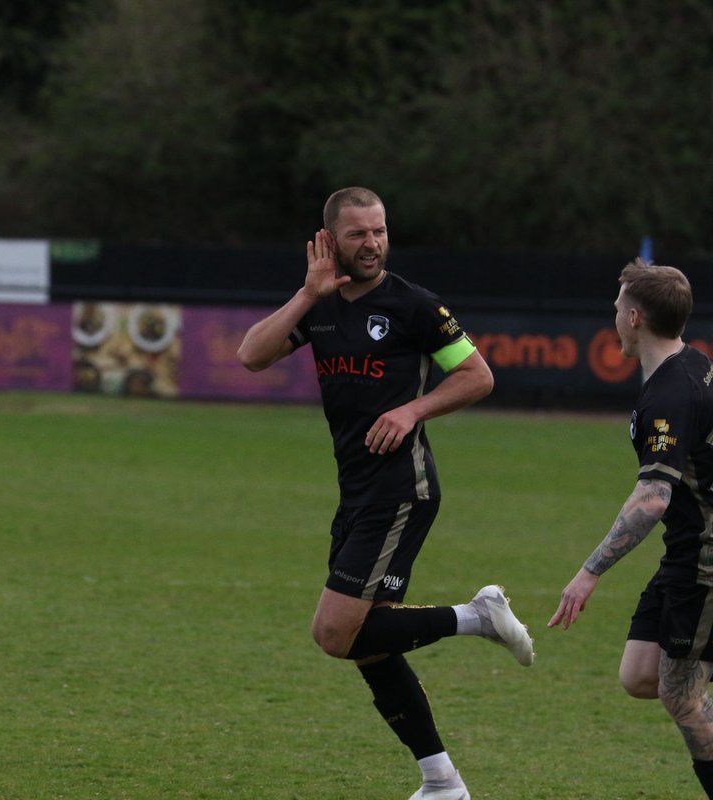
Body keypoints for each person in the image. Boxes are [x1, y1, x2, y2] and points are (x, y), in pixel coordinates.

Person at [237, 187, 534, 800]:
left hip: (401, 490)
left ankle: (477, 618)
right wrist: (306, 293)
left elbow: (478, 375)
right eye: (357, 234)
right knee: (367, 643)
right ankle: (441, 780)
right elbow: (250, 356)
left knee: (333, 634)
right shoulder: (317, 308)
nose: (371, 243)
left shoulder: (414, 305)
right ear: (329, 241)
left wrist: (412, 411)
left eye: (379, 231)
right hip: (355, 493)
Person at [549, 260, 713, 798]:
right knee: (639, 674)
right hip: (683, 555)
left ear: (636, 316)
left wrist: (587, 572)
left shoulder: (669, 394)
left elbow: (653, 497)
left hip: (703, 560)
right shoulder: (693, 364)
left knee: (680, 695)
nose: (614, 316)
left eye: (617, 307)